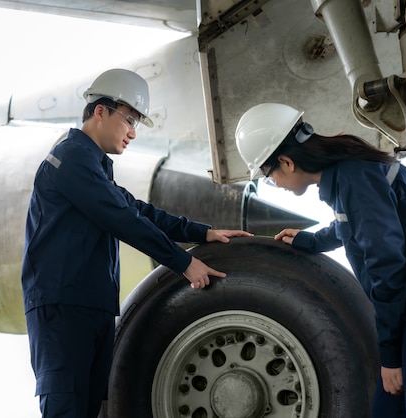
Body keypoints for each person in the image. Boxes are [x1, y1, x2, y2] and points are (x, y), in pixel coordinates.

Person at [21, 68, 252, 418]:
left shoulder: (95, 166)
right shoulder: (69, 159)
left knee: (94, 408)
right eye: (128, 119)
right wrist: (183, 263)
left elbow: (137, 210)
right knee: (65, 405)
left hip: (92, 306)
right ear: (100, 111)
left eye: (137, 124)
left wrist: (202, 233)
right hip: (63, 306)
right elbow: (122, 219)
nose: (132, 132)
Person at [234, 102, 406, 417]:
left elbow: (386, 265)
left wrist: (390, 356)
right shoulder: (349, 175)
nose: (276, 185)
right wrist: (312, 240)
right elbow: (356, 225)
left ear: (286, 162)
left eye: (269, 177)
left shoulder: (355, 176)